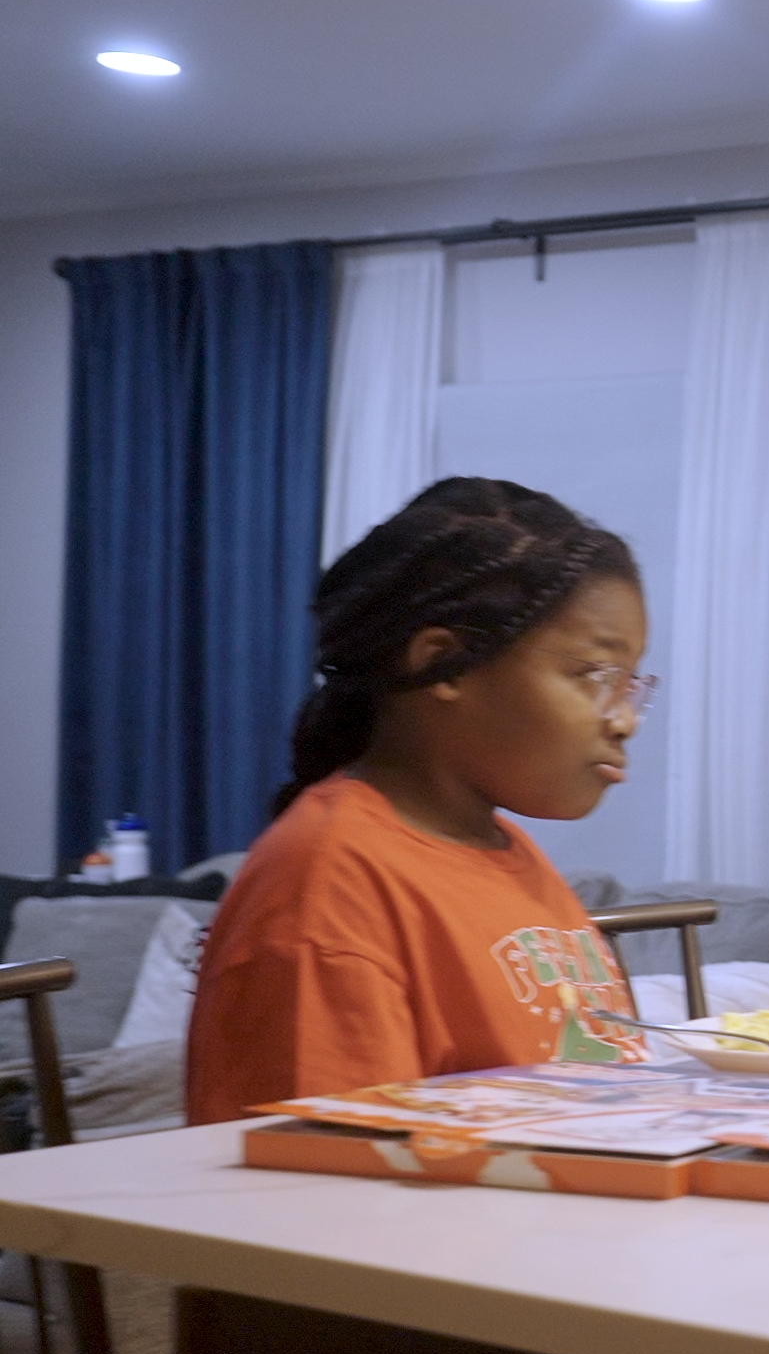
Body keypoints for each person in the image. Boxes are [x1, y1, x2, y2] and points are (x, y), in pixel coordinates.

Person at [185, 479, 654, 1121]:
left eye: (631, 687)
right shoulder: (328, 886)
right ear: (447, 665)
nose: (624, 719)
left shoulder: (505, 853)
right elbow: (325, 1184)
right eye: (594, 676)